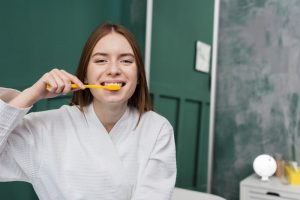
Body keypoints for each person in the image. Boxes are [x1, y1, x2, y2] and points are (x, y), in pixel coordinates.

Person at [0, 23, 176, 199]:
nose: (114, 70)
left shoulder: (157, 129)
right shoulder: (44, 128)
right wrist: (32, 94)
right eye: (101, 60)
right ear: (84, 74)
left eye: (126, 61)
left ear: (138, 77)